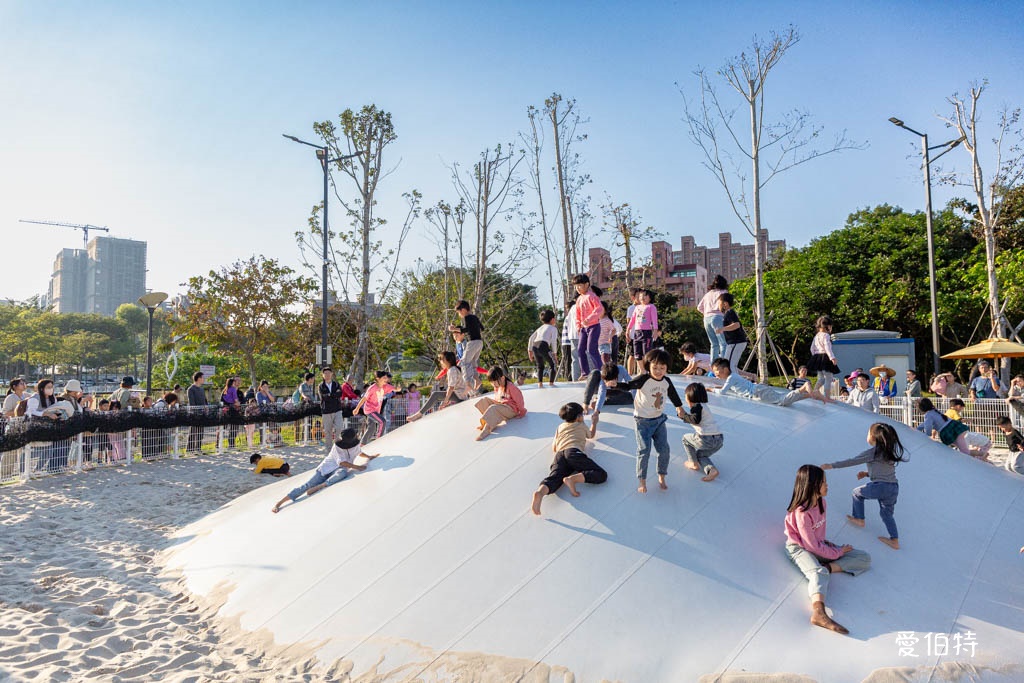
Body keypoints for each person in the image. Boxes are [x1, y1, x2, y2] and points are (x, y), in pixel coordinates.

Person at [784, 464, 871, 635]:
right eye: (823, 482)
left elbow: (816, 539)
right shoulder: (801, 513)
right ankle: (819, 613)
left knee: (864, 558)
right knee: (818, 573)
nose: (827, 485)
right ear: (813, 485)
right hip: (799, 548)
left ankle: (828, 567)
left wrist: (832, 549)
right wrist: (838, 552)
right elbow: (809, 545)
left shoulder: (822, 503)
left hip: (818, 545)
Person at [823, 423, 906, 551]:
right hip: (893, 488)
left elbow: (852, 461)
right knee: (886, 514)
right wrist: (866, 474)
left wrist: (831, 465)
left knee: (857, 493)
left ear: (873, 437)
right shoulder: (888, 452)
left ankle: (859, 518)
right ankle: (895, 540)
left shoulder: (872, 452)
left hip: (881, 487)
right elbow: (884, 471)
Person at [621, 348, 685, 494]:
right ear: (648, 366)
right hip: (642, 421)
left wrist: (679, 407)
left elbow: (673, 395)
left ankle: (662, 476)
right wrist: (614, 385)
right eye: (655, 367)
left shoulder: (666, 381)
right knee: (644, 451)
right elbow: (628, 386)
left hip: (659, 420)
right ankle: (642, 480)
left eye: (662, 368)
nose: (658, 371)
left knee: (664, 450)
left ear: (667, 368)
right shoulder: (644, 379)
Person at [271, 429, 377, 513]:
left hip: (339, 469)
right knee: (307, 485)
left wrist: (369, 457)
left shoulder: (355, 443)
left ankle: (321, 486)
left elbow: (358, 452)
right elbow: (342, 462)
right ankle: (279, 503)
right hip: (326, 468)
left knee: (342, 473)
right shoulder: (338, 446)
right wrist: (357, 467)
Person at [530, 402, 608, 516]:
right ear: (578, 417)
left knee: (555, 477)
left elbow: (554, 447)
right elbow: (591, 435)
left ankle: (540, 493)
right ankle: (573, 479)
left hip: (559, 454)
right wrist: (594, 423)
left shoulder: (560, 427)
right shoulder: (581, 425)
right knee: (600, 474)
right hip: (573, 452)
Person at [712, 358, 829, 406]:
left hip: (758, 393)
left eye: (716, 371)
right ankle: (811, 394)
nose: (716, 374)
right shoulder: (733, 377)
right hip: (759, 389)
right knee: (785, 399)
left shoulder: (731, 378)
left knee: (782, 401)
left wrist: (711, 389)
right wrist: (719, 387)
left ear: (725, 369)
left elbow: (723, 392)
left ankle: (803, 387)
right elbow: (730, 387)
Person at [679, 382, 724, 482]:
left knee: (685, 439)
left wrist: (683, 416)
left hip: (706, 439)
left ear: (690, 396)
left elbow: (695, 420)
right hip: (719, 439)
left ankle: (693, 463)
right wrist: (684, 415)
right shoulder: (704, 407)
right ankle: (711, 470)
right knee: (701, 455)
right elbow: (695, 418)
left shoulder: (697, 406)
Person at [407, 352, 469, 422]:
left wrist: (445, 401)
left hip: (459, 396)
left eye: (441, 359)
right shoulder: (454, 369)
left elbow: (451, 387)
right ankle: (419, 414)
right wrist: (446, 400)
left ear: (447, 360)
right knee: (436, 397)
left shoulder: (452, 370)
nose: (440, 362)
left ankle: (419, 414)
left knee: (435, 395)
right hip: (460, 395)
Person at [475, 366, 527, 441]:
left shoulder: (510, 387)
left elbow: (519, 399)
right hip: (502, 406)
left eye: (494, 381)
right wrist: (496, 405)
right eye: (491, 382)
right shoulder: (497, 386)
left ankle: (487, 429)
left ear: (502, 378)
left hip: (511, 410)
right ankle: (489, 422)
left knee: (493, 408)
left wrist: (522, 411)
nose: (493, 384)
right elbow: (498, 398)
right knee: (484, 401)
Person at [583, 362, 634, 437]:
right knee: (594, 373)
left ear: (616, 378)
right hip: (597, 388)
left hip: (616, 390)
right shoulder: (603, 375)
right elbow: (602, 392)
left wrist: (637, 400)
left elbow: (631, 385)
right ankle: (585, 403)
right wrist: (597, 412)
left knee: (630, 398)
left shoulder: (621, 369)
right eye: (606, 381)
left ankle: (605, 401)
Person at [571, 275, 603, 380]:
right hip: (583, 328)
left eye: (579, 286)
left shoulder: (592, 296)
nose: (577, 288)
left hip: (594, 326)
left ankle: (601, 370)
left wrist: (589, 319)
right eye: (576, 286)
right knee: (580, 350)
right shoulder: (579, 299)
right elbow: (578, 314)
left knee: (591, 349)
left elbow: (599, 309)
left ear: (586, 284)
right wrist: (578, 325)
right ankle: (585, 373)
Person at [449, 300, 484, 394]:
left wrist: (454, 329)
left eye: (459, 312)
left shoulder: (467, 317)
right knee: (472, 363)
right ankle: (477, 379)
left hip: (472, 342)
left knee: (464, 362)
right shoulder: (475, 317)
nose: (459, 315)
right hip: (480, 342)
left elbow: (466, 329)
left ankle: (467, 383)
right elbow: (482, 328)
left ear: (463, 310)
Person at [354, 371, 395, 445]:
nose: (386, 379)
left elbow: (394, 389)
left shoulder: (385, 386)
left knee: (371, 428)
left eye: (386, 378)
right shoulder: (372, 388)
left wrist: (398, 389)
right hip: (369, 410)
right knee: (382, 421)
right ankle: (378, 440)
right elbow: (364, 398)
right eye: (384, 378)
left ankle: (362, 444)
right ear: (378, 379)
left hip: (376, 411)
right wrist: (357, 409)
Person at [716, 293, 751, 378]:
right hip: (734, 343)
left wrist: (722, 329)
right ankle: (737, 382)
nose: (718, 306)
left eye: (719, 303)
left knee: (730, 365)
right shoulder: (728, 313)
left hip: (736, 342)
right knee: (729, 365)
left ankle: (736, 383)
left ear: (725, 304)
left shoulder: (730, 312)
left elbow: (736, 325)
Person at [697, 275, 729, 368]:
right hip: (718, 317)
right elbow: (726, 306)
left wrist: (706, 313)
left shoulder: (708, 294)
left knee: (714, 344)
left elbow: (699, 307)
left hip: (706, 319)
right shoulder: (724, 292)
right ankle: (723, 365)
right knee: (723, 343)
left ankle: (713, 366)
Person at [626, 288, 660, 369]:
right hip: (637, 332)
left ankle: (648, 369)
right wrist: (628, 330)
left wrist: (655, 330)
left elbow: (654, 320)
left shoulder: (651, 307)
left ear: (650, 298)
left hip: (646, 332)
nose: (642, 297)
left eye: (645, 296)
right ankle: (642, 370)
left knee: (647, 352)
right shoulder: (637, 307)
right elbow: (632, 319)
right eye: (641, 296)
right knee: (637, 353)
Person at [807, 315, 840, 396]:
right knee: (829, 377)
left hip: (817, 357)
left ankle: (815, 391)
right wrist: (832, 358)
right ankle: (827, 396)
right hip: (825, 357)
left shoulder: (816, 336)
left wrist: (815, 357)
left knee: (821, 378)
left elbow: (812, 348)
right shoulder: (826, 335)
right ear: (828, 326)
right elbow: (827, 347)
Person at [528, 309, 559, 388]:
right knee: (553, 364)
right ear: (552, 319)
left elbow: (531, 339)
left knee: (540, 366)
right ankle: (551, 383)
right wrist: (555, 354)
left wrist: (530, 351)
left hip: (535, 346)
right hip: (543, 345)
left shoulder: (540, 328)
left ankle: (540, 383)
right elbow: (553, 341)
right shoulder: (553, 328)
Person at [319, 367, 345, 444]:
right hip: (326, 411)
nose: (327, 375)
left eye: (329, 373)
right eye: (325, 373)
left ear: (332, 374)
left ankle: (337, 444)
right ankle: (329, 448)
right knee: (328, 431)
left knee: (339, 427)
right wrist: (333, 395)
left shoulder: (336, 384)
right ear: (322, 375)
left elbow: (340, 394)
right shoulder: (321, 386)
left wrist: (330, 395)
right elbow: (324, 397)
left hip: (337, 409)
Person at [186, 371, 208, 454]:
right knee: (193, 431)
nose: (204, 379)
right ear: (198, 378)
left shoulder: (202, 389)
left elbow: (205, 400)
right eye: (202, 378)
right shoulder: (191, 389)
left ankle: (198, 448)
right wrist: (196, 411)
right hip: (194, 414)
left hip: (202, 413)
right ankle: (190, 450)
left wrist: (206, 407)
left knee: (200, 432)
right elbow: (192, 403)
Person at [221, 377, 241, 447]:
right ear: (232, 383)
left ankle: (219, 444)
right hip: (232, 410)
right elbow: (236, 400)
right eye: (234, 382)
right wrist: (238, 403)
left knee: (223, 428)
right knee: (234, 427)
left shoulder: (225, 390)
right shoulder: (233, 389)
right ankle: (231, 444)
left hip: (225, 410)